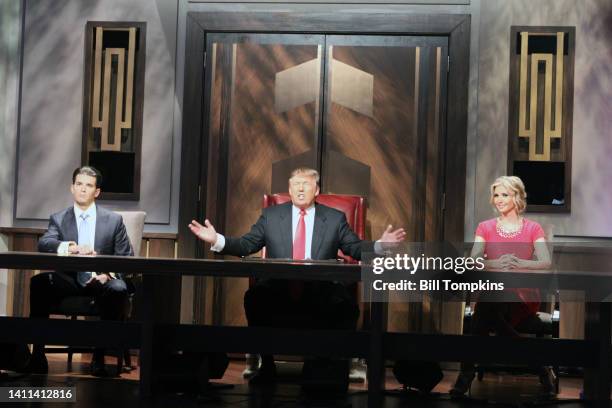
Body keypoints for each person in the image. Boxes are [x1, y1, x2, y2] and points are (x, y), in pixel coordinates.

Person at [189, 167, 406, 383]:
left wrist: (380, 246)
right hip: (279, 289)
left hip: (320, 291)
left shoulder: (334, 218)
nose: (300, 189)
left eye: (306, 184)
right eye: (296, 185)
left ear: (317, 190)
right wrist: (216, 239)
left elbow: (355, 248)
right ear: (290, 191)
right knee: (255, 297)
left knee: (345, 305)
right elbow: (247, 244)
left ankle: (328, 368)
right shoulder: (271, 216)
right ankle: (267, 366)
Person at [450, 176, 554, 397]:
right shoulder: (484, 227)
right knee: (491, 301)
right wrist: (494, 263)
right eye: (496, 194)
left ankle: (466, 372)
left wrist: (520, 263)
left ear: (517, 197)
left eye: (504, 194)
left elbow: (546, 261)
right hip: (493, 295)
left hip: (521, 298)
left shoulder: (533, 228)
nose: (498, 199)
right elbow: (473, 259)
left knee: (484, 313)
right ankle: (539, 365)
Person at [28, 166, 133, 376]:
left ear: (97, 192)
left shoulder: (113, 221)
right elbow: (45, 243)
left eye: (88, 185)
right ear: (72, 188)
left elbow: (126, 258)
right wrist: (71, 247)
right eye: (79, 184)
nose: (83, 189)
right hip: (71, 280)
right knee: (39, 282)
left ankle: (100, 356)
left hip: (102, 282)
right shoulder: (58, 218)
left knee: (119, 287)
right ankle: (37, 356)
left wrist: (107, 275)